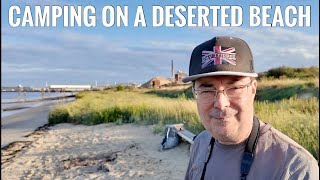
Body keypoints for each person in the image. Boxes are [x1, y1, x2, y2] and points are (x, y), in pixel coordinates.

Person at [182, 36, 319, 180]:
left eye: (234, 87)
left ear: (253, 90)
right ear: (194, 93)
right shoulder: (199, 143)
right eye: (207, 90)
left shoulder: (293, 167)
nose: (221, 103)